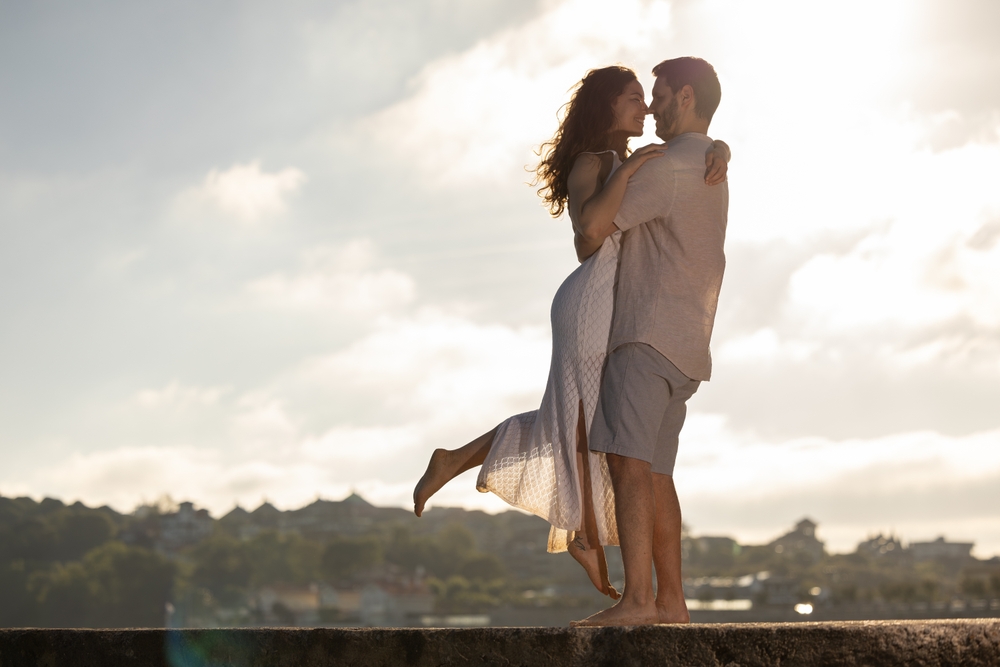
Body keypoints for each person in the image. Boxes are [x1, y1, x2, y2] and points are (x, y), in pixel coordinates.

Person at [412, 65, 730, 601]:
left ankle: (481, 473)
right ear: (607, 106)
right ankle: (581, 532)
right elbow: (588, 239)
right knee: (579, 421)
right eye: (635, 99)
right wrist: (637, 169)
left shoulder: (642, 160)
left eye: (650, 98)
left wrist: (718, 147)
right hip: (592, 300)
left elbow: (683, 160)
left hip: (619, 304)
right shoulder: (596, 162)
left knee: (580, 421)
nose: (647, 108)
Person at [569, 57, 729, 626]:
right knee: (658, 473)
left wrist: (631, 169)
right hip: (687, 345)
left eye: (658, 96)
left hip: (645, 334)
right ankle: (671, 602)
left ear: (684, 96)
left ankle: (637, 600)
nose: (653, 108)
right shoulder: (709, 163)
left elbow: (590, 233)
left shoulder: (667, 166)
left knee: (629, 464)